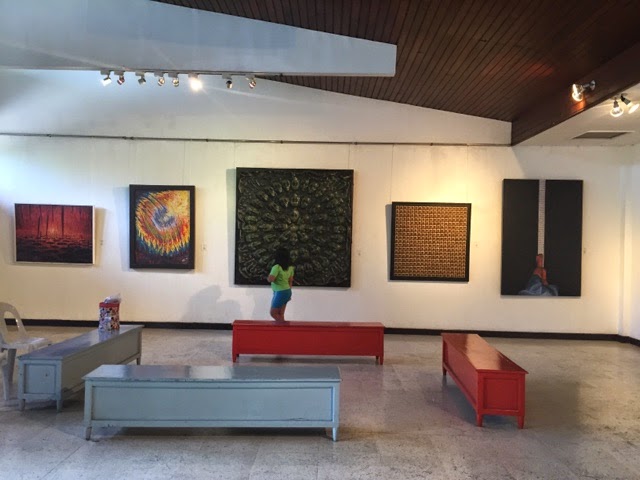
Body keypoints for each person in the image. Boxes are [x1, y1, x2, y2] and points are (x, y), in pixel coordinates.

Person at [267, 247, 294, 322]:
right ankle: (283, 328)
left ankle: (285, 327)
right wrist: (289, 293)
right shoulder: (291, 268)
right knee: (280, 314)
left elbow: (271, 279)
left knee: (273, 313)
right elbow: (290, 281)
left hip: (280, 292)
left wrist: (268, 277)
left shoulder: (276, 267)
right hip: (287, 291)